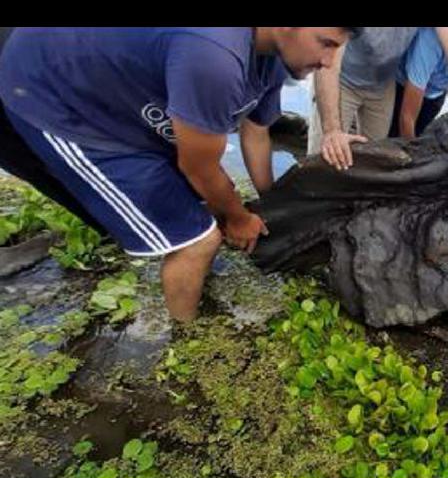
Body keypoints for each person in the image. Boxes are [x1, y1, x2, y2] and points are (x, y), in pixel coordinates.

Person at [0, 27, 360, 321]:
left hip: (124, 92)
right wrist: (235, 217)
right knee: (197, 240)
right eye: (325, 44)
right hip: (56, 97)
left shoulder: (278, 56)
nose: (328, 62)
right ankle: (184, 337)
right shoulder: (214, 57)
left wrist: (271, 208)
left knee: (201, 206)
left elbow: (257, 131)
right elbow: (198, 167)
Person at [308, 26, 448, 170]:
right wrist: (332, 129)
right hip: (343, 78)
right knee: (325, 156)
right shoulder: (428, 44)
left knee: (374, 161)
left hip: (382, 85)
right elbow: (328, 59)